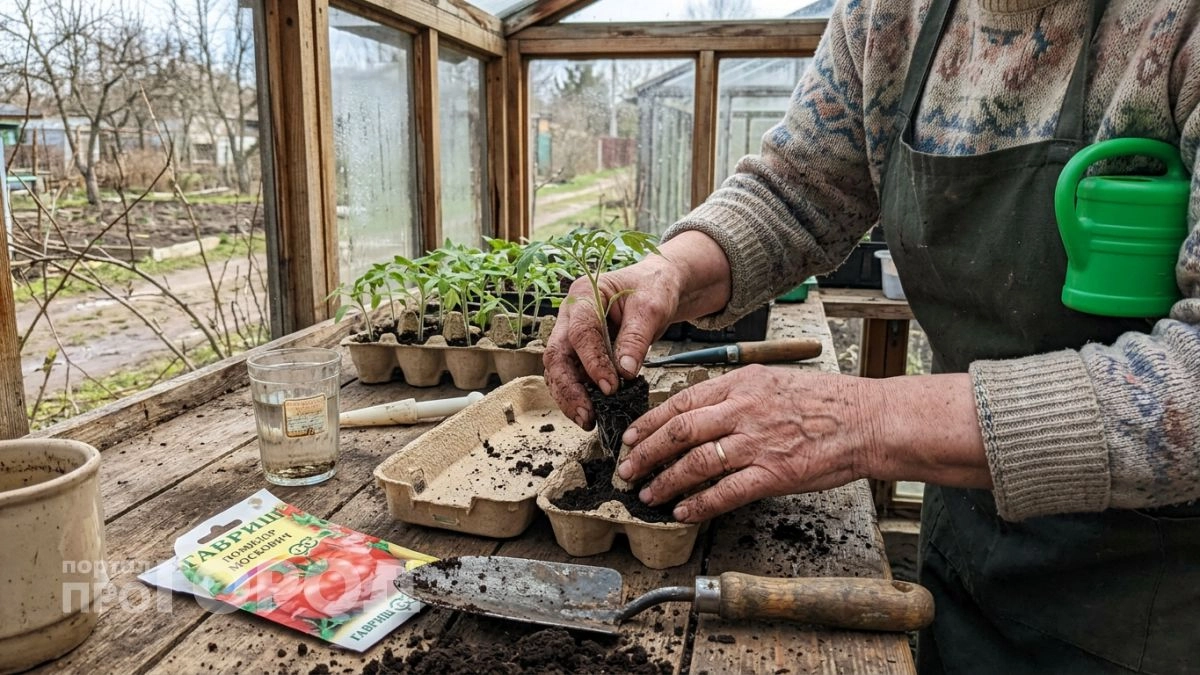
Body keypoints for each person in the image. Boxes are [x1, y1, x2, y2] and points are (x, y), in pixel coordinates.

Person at [543, 0, 1200, 672]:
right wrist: (670, 270)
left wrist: (867, 419)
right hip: (965, 528)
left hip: (1142, 593)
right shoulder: (886, 16)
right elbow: (797, 190)